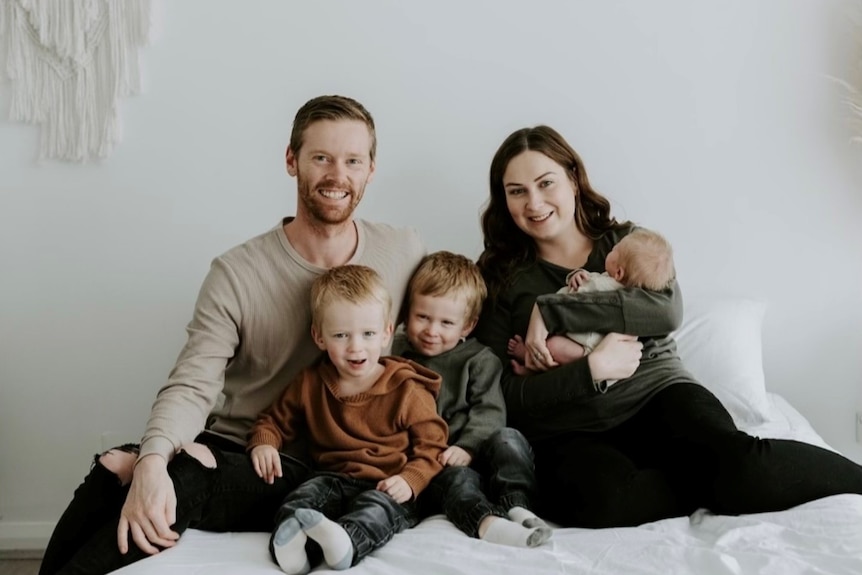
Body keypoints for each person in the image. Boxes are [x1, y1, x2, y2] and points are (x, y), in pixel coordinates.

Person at [39, 95, 426, 575]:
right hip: (242, 443)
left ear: (370, 169)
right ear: (292, 161)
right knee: (117, 467)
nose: (336, 175)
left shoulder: (403, 252)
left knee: (189, 476)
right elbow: (194, 380)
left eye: (352, 161)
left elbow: (457, 317)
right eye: (320, 158)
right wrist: (153, 458)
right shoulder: (237, 271)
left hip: (314, 466)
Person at [473, 124, 862, 529]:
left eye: (545, 183)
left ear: (572, 179)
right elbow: (501, 394)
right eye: (517, 190)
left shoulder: (627, 243)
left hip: (658, 393)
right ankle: (707, 483)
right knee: (607, 504)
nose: (534, 202)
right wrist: (589, 371)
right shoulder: (500, 277)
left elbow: (665, 311)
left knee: (742, 470)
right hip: (569, 427)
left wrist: (551, 313)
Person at [248, 264, 448, 574]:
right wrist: (264, 443)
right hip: (331, 478)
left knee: (376, 512)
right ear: (319, 337)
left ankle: (348, 544)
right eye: (341, 335)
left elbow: (433, 444)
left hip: (387, 484)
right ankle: (292, 551)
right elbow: (273, 420)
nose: (356, 347)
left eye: (368, 334)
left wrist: (411, 480)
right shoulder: (310, 383)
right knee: (300, 501)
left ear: (386, 333)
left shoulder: (407, 388)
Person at [392, 251, 552, 548]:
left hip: (475, 452)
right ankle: (488, 523)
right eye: (422, 317)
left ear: (467, 326)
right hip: (433, 464)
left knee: (509, 439)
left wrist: (468, 446)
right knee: (458, 481)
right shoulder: (396, 355)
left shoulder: (478, 359)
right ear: (407, 312)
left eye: (446, 323)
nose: (431, 331)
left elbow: (490, 410)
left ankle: (520, 508)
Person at [507, 227, 675, 379]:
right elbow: (591, 282)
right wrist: (578, 275)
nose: (612, 248)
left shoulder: (606, 287)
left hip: (588, 350)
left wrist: (550, 305)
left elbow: (575, 295)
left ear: (618, 272)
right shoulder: (629, 293)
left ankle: (531, 361)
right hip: (598, 349)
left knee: (553, 345)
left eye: (615, 250)